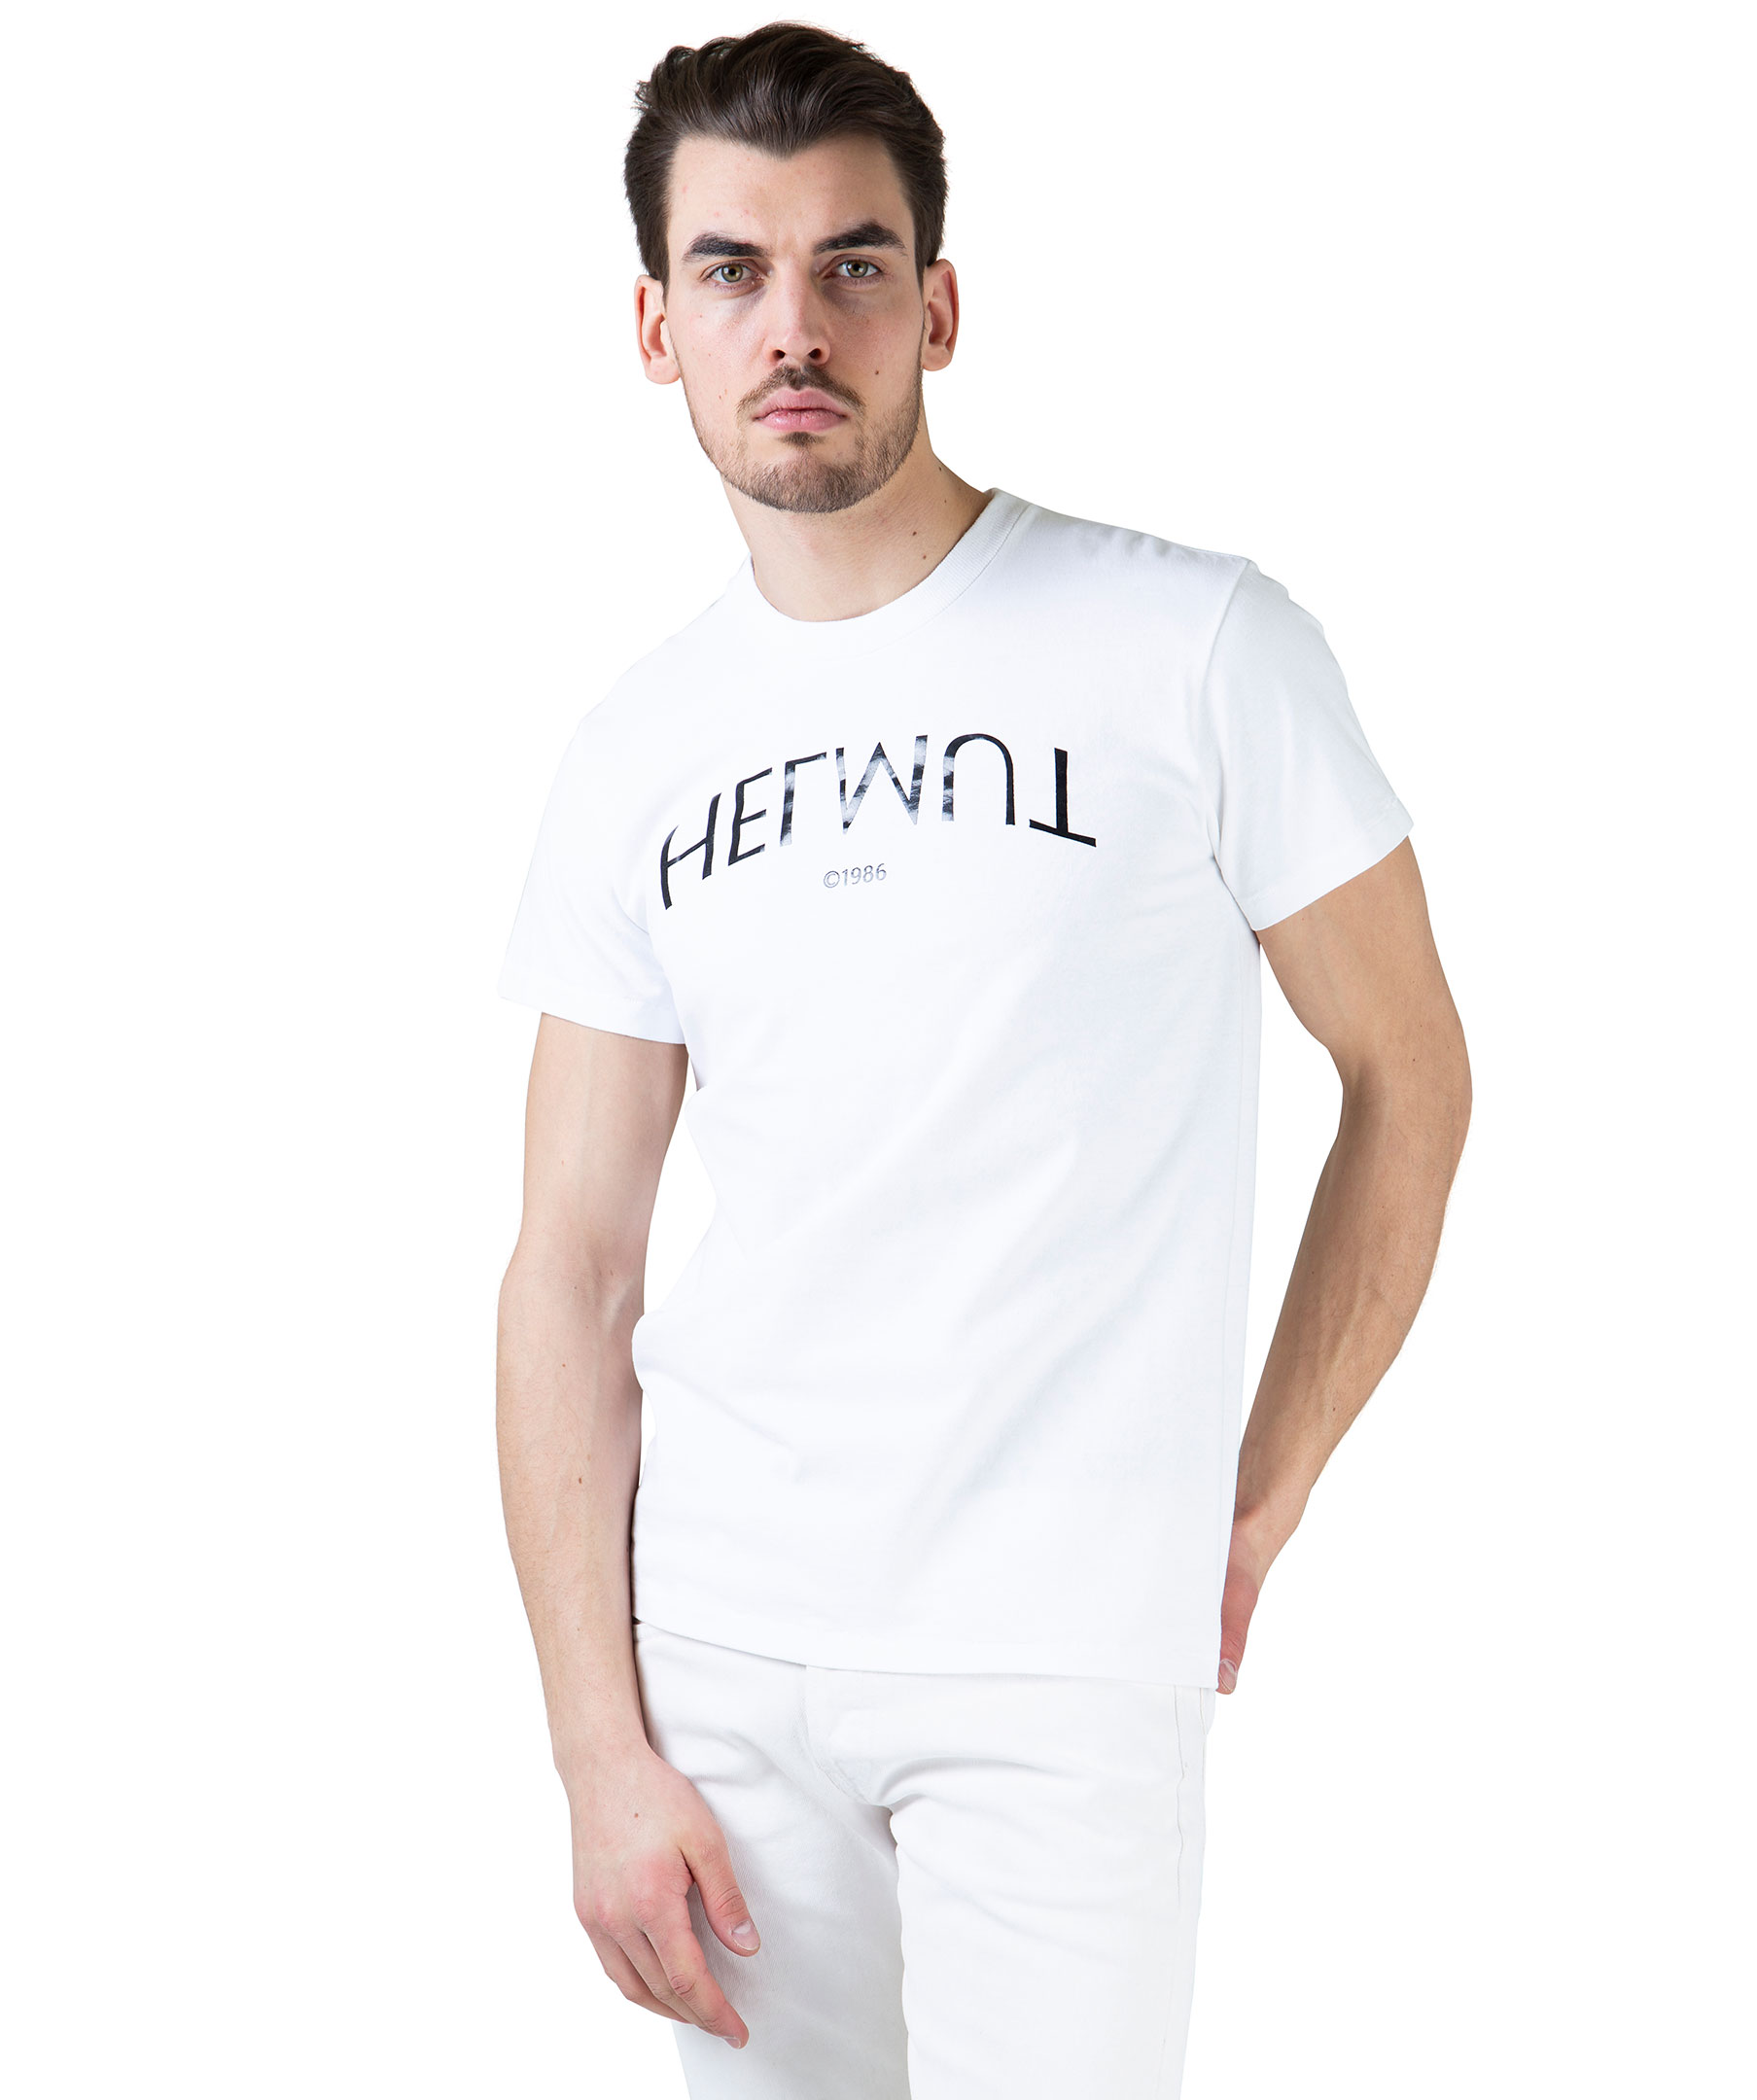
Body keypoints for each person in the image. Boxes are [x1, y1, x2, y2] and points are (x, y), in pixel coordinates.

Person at [494, 21, 1470, 2099]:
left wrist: (1257, 1496)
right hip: (725, 1668)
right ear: (656, 328)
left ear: (936, 306)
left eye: (850, 265)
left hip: (1059, 1653)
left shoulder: (1195, 644)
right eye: (733, 271)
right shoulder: (635, 747)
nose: (794, 325)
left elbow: (1411, 1076)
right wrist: (597, 1743)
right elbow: (570, 1264)